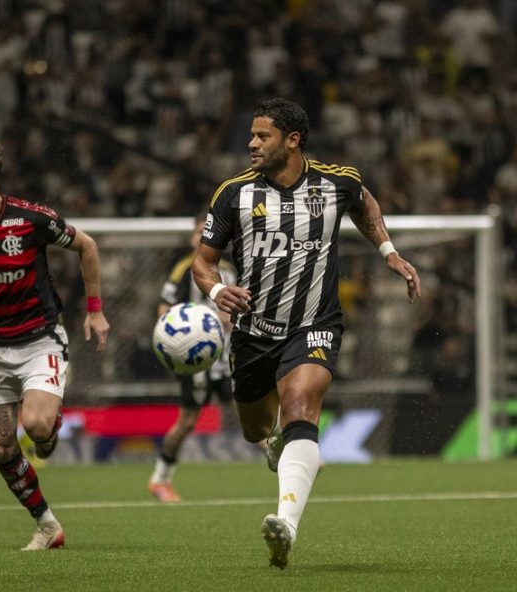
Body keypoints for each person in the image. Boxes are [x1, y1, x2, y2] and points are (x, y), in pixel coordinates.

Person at [193, 98, 421, 568]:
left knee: (302, 405)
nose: (251, 144)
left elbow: (365, 204)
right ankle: (276, 443)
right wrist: (217, 292)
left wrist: (388, 252)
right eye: (252, 136)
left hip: (314, 323)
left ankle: (286, 526)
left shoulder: (337, 182)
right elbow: (203, 262)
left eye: (262, 136)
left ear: (292, 140)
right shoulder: (233, 193)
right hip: (254, 332)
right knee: (256, 427)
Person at [0, 131, 110, 550]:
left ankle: (49, 431)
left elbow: (86, 245)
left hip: (38, 340)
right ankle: (48, 526)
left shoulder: (30, 218)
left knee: (36, 426)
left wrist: (96, 309)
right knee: (2, 446)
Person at [148, 213, 237, 503]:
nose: (202, 237)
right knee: (187, 422)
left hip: (225, 358)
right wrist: (184, 331)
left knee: (249, 414)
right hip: (195, 359)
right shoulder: (182, 270)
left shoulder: (228, 270)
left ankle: (289, 464)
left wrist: (230, 318)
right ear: (191, 238)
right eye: (199, 232)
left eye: (207, 232)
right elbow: (163, 310)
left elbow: (237, 311)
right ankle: (160, 479)